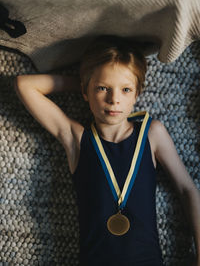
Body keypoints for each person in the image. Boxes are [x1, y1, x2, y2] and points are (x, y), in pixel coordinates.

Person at [14, 36, 200, 266]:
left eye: (125, 89)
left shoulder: (152, 133)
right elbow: (24, 85)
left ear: (137, 94)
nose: (114, 100)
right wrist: (83, 83)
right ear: (86, 92)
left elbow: (187, 189)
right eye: (103, 89)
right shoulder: (77, 139)